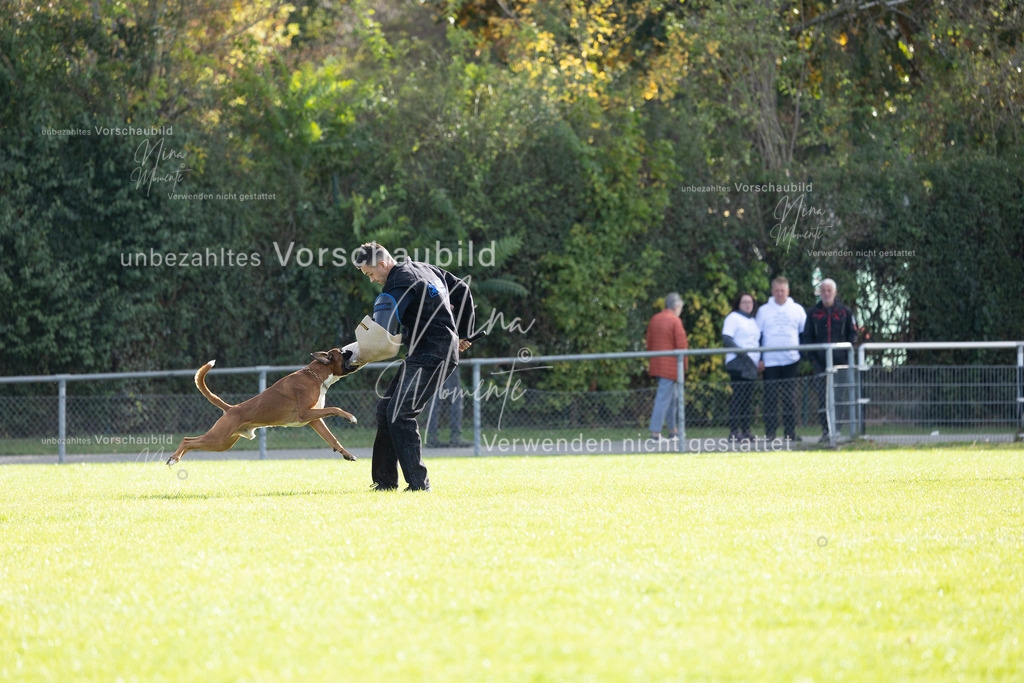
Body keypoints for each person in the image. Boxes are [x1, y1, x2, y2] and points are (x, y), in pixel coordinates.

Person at [353, 242, 475, 491]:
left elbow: (384, 327)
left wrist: (359, 352)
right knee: (386, 409)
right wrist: (464, 333)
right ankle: (385, 483)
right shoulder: (424, 268)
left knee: (400, 413)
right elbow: (461, 289)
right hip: (426, 351)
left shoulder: (398, 282)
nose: (372, 280)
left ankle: (420, 486)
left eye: (370, 274)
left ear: (383, 264)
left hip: (434, 353)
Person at [800, 278, 857, 442]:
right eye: (823, 290)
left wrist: (846, 355)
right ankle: (826, 431)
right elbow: (807, 337)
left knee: (839, 397)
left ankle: (837, 430)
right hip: (820, 363)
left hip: (841, 363)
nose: (826, 293)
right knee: (822, 398)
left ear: (835, 292)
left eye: (829, 291)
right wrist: (813, 358)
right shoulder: (812, 313)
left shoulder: (845, 312)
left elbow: (852, 335)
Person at [756, 276, 806, 443]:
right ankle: (770, 434)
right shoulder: (763, 311)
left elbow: (803, 333)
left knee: (790, 399)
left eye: (782, 291)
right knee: (770, 398)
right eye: (776, 291)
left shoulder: (797, 309)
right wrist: (760, 359)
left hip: (791, 360)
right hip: (770, 361)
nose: (779, 294)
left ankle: (790, 433)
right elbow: (758, 336)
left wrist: (801, 355)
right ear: (772, 291)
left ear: (788, 291)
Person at [646, 292, 688, 441]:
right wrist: (684, 368)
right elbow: (682, 346)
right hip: (671, 367)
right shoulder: (675, 321)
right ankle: (655, 434)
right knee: (664, 399)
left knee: (672, 399)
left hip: (657, 365)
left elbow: (649, 342)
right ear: (676, 307)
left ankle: (673, 431)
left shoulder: (654, 319)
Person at [722, 292, 760, 442]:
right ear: (738, 303)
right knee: (738, 398)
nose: (747, 305)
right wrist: (743, 355)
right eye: (744, 302)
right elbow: (727, 339)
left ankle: (746, 430)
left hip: (752, 365)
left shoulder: (753, 321)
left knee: (747, 399)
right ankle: (733, 431)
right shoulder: (733, 318)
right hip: (738, 363)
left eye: (750, 302)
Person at [425, 370, 470, 448]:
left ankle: (432, 437)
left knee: (435, 400)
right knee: (455, 399)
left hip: (435, 364)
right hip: (449, 363)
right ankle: (455, 437)